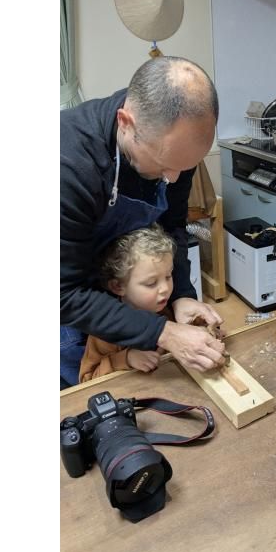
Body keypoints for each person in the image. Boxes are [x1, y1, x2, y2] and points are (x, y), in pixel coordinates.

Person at [61, 57, 225, 389]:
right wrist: (163, 332)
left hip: (128, 287)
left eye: (186, 166)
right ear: (126, 123)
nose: (174, 178)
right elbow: (63, 294)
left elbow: (173, 226)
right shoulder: (67, 166)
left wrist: (181, 293)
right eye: (165, 164)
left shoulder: (173, 142)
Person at [79, 226, 176, 383]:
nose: (165, 288)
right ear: (118, 287)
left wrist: (200, 327)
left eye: (169, 276)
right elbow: (86, 381)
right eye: (151, 283)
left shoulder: (166, 308)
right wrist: (126, 359)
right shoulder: (103, 332)